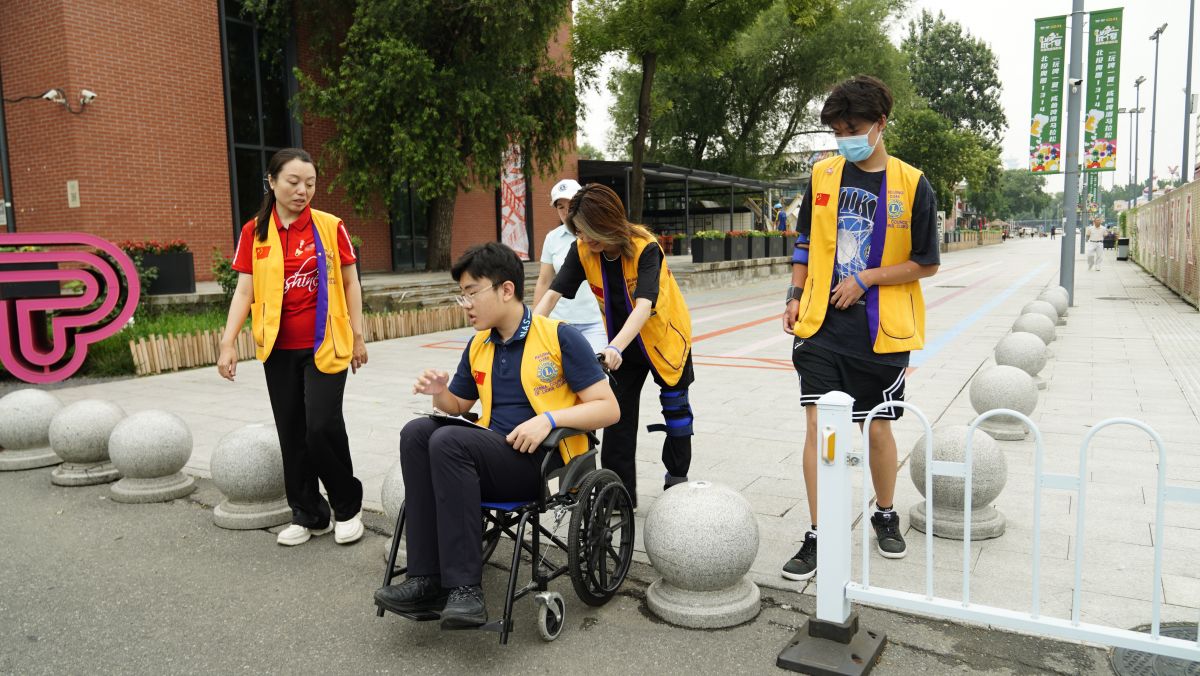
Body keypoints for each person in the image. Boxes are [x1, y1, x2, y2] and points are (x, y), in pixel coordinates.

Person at [374, 242, 618, 628]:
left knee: (447, 441)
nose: (466, 304)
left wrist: (549, 419)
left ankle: (465, 589)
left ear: (506, 290)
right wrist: (440, 392)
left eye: (472, 292)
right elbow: (458, 405)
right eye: (462, 295)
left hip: (538, 462)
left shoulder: (559, 337)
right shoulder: (479, 344)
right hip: (488, 455)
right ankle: (426, 579)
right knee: (416, 432)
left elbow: (609, 408)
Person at [780, 75, 940, 581]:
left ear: (879, 124)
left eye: (852, 129)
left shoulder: (913, 184)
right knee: (817, 427)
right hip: (820, 328)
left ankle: (884, 512)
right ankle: (819, 531)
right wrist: (793, 294)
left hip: (880, 333)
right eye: (837, 131)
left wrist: (866, 279)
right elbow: (806, 242)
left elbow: (927, 262)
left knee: (877, 427)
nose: (844, 139)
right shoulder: (823, 175)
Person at [218, 148, 369, 547]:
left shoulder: (330, 226)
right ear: (272, 182)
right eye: (294, 182)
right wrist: (228, 342)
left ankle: (347, 507)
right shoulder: (255, 232)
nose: (303, 191)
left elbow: (351, 283)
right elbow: (245, 291)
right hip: (278, 348)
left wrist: (358, 335)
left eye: (310, 184)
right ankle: (308, 513)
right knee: (292, 432)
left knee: (322, 427)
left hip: (326, 344)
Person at [533, 183, 694, 505]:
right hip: (623, 345)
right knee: (615, 417)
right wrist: (527, 332)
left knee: (677, 412)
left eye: (589, 231)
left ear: (607, 222)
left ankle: (677, 483)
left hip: (664, 341)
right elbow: (553, 293)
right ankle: (618, 498)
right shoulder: (583, 249)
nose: (584, 238)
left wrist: (615, 347)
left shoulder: (645, 247)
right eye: (579, 232)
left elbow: (644, 306)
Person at [533, 179, 607, 353]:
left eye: (571, 204)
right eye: (560, 207)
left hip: (594, 321)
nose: (566, 211)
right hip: (559, 322)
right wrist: (534, 321)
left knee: (598, 367)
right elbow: (544, 280)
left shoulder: (598, 236)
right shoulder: (552, 238)